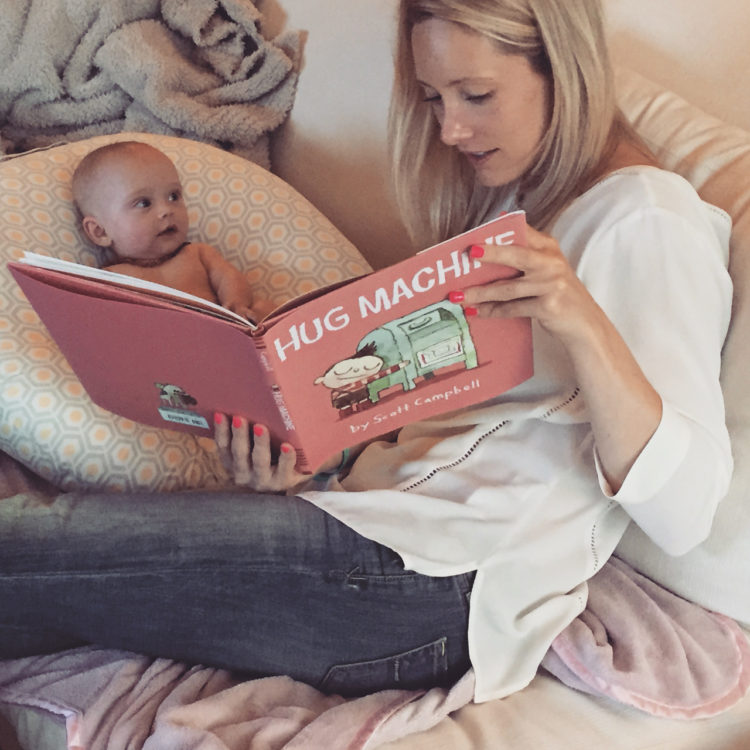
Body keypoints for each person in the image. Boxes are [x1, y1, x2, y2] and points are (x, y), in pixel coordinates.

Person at [0, 0, 733, 704]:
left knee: (36, 547)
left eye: (475, 94)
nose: (449, 129)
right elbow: (449, 430)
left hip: (437, 583)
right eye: (434, 98)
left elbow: (685, 513)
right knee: (41, 564)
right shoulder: (524, 203)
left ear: (566, 71)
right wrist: (299, 464)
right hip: (367, 528)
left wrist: (585, 324)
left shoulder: (648, 217)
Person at [72, 140, 267, 321]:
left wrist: (236, 304)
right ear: (100, 232)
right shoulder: (107, 279)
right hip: (166, 348)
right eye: (143, 203)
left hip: (222, 332)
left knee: (265, 307)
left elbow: (229, 277)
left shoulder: (197, 254)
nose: (166, 210)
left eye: (174, 196)